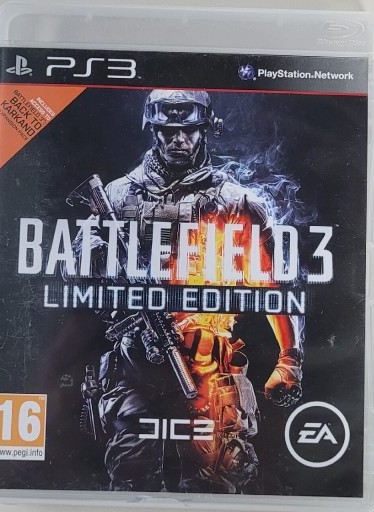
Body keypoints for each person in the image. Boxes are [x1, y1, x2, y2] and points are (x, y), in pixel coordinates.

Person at [72, 90, 303, 493]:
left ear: (205, 129)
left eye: (189, 130)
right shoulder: (117, 196)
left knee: (213, 484)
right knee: (130, 482)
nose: (179, 139)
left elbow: (276, 285)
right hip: (136, 363)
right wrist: (89, 253)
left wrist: (290, 358)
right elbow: (75, 273)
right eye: (168, 131)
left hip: (209, 368)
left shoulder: (235, 201)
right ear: (153, 131)